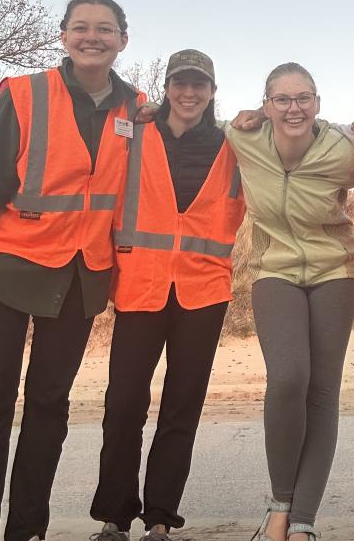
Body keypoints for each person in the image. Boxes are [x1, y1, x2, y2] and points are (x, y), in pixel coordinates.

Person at [0, 0, 143, 541]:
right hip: (6, 271)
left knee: (49, 407)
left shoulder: (139, 109)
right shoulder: (25, 94)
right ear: (63, 36)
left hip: (81, 277)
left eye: (105, 29)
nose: (92, 37)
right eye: (81, 27)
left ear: (123, 39)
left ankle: (27, 529)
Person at [89, 50, 246, 541]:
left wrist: (259, 117)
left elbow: (291, 133)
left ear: (213, 91)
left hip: (204, 291)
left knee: (182, 407)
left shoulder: (235, 146)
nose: (189, 92)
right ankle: (115, 517)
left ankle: (160, 518)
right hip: (141, 286)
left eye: (200, 84)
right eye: (180, 82)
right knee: (124, 405)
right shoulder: (134, 134)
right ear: (167, 87)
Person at [227, 62, 354, 541]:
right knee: (288, 378)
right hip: (274, 270)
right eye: (282, 99)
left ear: (318, 103)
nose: (293, 108)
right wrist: (148, 110)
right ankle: (279, 503)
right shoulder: (243, 139)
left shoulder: (344, 148)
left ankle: (302, 521)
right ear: (265, 105)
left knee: (322, 391)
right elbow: (190, 117)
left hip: (336, 271)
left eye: (303, 98)